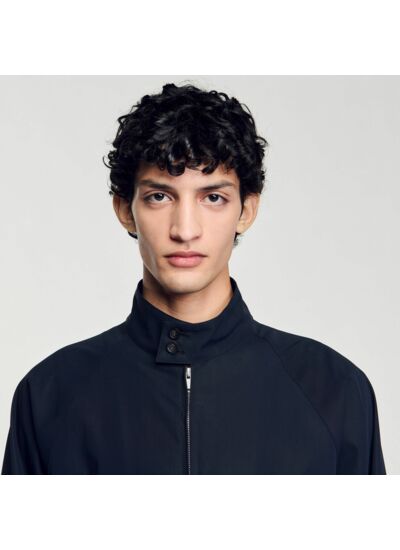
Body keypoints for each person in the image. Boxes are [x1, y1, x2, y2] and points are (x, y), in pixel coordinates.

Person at [1, 82, 386, 474]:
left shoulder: (334, 390)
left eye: (213, 198)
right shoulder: (50, 395)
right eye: (159, 197)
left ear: (246, 211)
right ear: (125, 210)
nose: (185, 230)